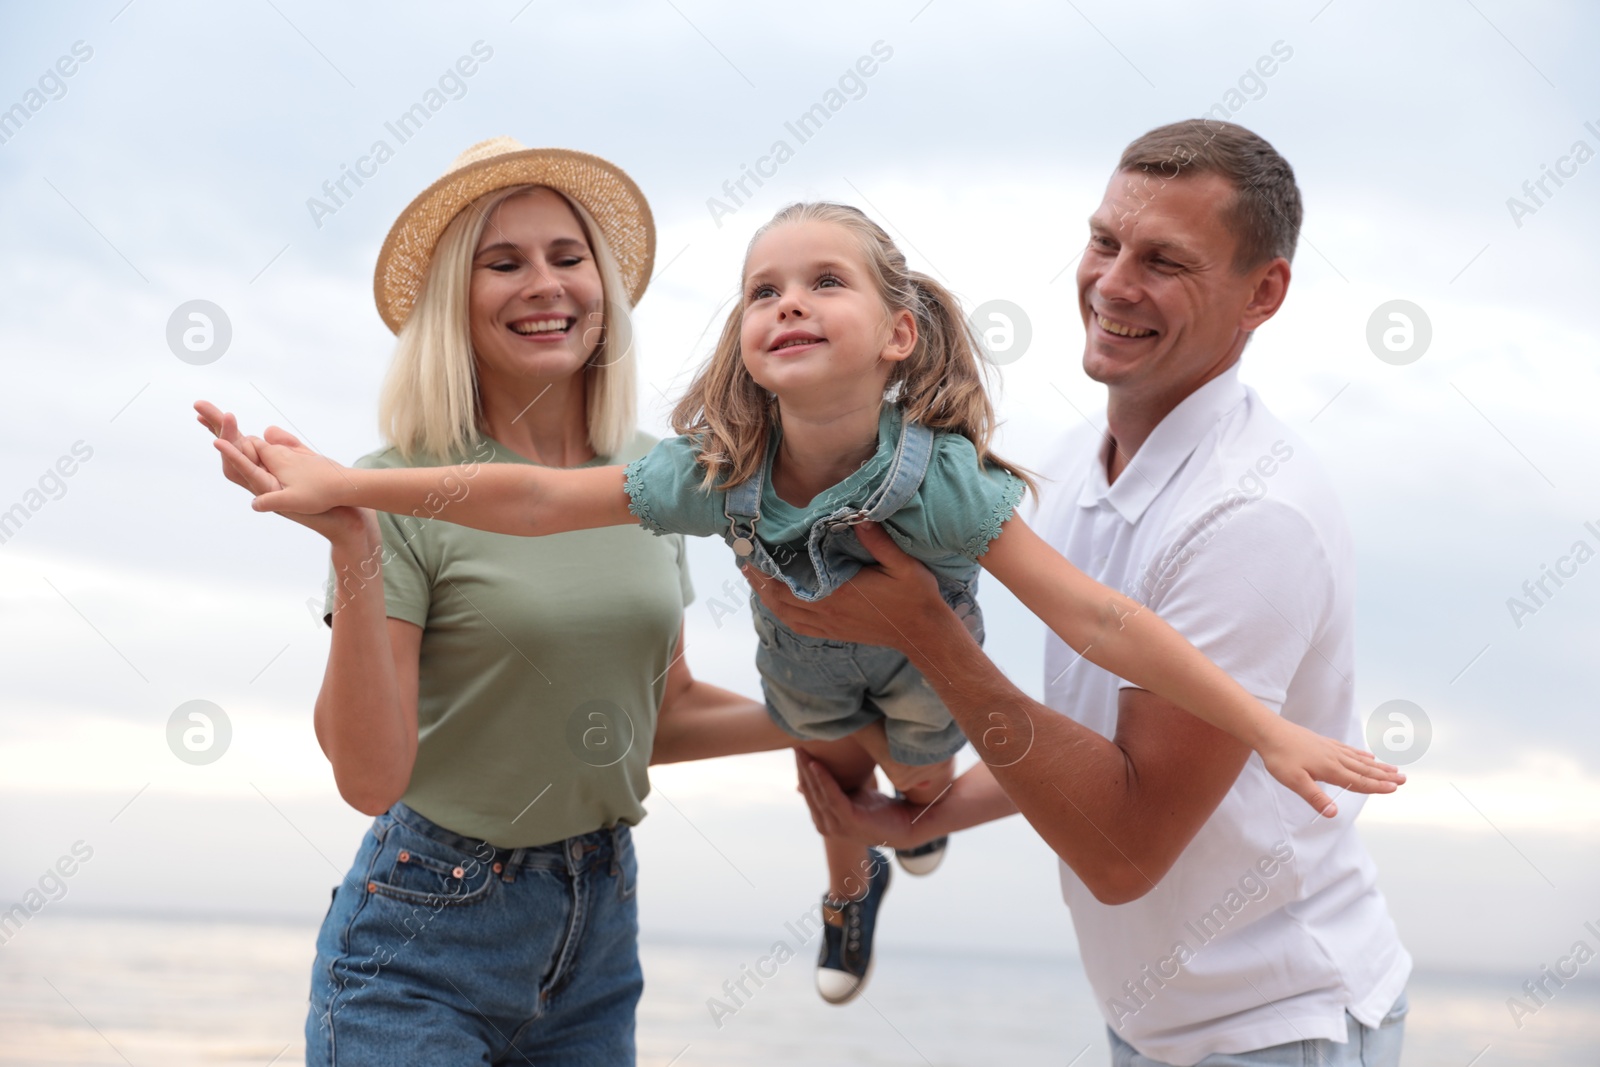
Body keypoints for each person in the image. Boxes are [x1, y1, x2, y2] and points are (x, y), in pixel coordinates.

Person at [225, 199, 1401, 1010]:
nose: (786, 302)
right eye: (761, 290)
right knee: (837, 791)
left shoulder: (943, 483)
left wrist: (1268, 726)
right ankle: (851, 896)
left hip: (925, 679)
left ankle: (919, 825)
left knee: (920, 786)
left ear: (898, 334)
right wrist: (346, 485)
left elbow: (1100, 619)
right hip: (801, 682)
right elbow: (530, 496)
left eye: (821, 282)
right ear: (744, 339)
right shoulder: (715, 468)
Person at [766, 120, 1413, 1066]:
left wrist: (924, 629)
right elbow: (1093, 757)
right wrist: (917, 818)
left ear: (1262, 292)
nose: (1112, 283)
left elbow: (1121, 848)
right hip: (1150, 1023)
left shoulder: (1252, 516)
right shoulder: (1070, 468)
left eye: (1165, 260)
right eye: (1105, 240)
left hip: (1277, 1023)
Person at [197, 137, 792, 1065]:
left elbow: (661, 715)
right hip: (420, 942)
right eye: (502, 263)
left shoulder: (651, 477)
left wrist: (828, 718)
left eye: (567, 256)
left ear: (602, 283)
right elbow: (369, 777)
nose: (544, 285)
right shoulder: (393, 487)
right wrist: (354, 537)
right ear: (453, 305)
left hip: (599, 937)